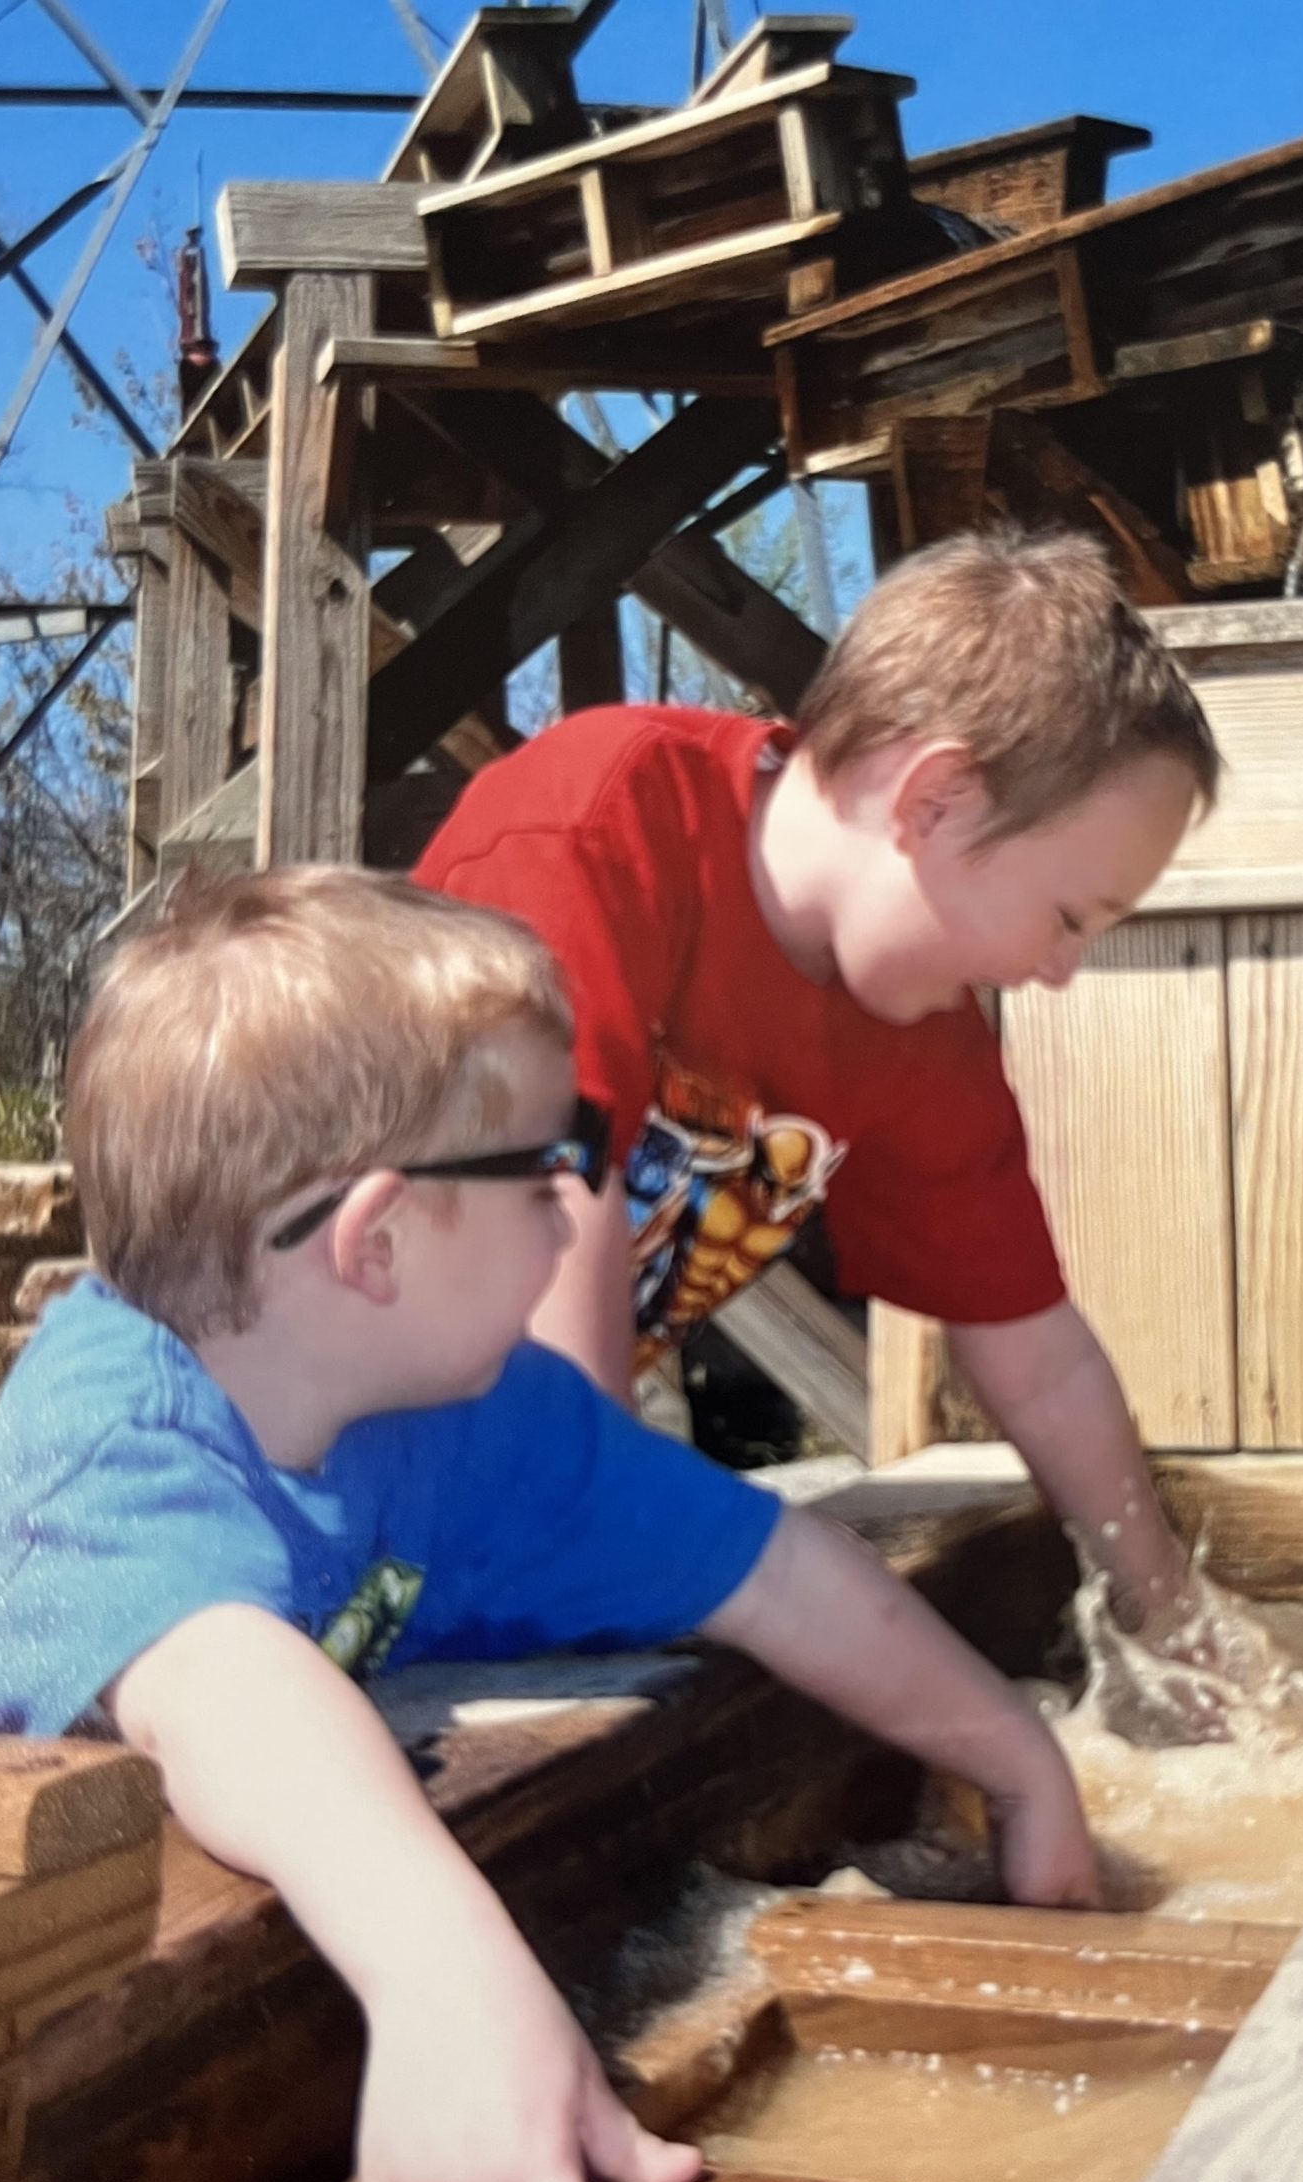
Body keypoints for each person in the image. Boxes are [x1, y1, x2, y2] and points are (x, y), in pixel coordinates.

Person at [0, 867, 1097, 2182]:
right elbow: (227, 1694)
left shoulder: (480, 1416)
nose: (581, 1203)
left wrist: (1014, 1754)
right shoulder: (103, 1441)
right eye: (552, 1159)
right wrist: (449, 1985)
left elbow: (781, 1570)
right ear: (380, 1241)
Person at [414, 529, 1221, 1636]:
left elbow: (1037, 1355)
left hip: (513, 1472)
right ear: (934, 802)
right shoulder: (598, 828)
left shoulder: (919, 1028)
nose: (1061, 969)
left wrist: (1169, 1615)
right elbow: (546, 1210)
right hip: (289, 1454)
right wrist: (609, 1557)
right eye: (1070, 916)